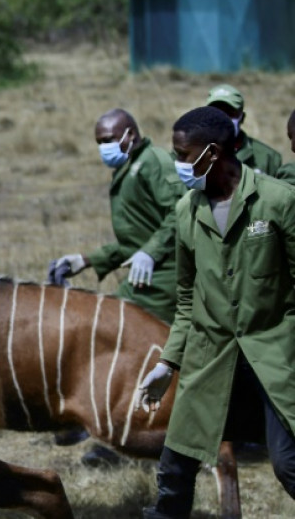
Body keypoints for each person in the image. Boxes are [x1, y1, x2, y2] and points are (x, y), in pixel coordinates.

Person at [140, 106, 295, 519]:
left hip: (274, 356)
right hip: (211, 356)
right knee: (176, 465)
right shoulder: (186, 211)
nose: (177, 165)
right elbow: (187, 298)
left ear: (213, 153)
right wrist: (167, 362)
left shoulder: (278, 201)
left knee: (287, 464)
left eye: (182, 154)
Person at [48, 108, 186, 324]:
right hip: (150, 273)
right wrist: (85, 260)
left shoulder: (153, 161)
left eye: (108, 140)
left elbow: (180, 212)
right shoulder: (129, 169)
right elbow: (134, 241)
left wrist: (150, 252)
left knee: (110, 322)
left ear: (130, 135)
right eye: (99, 143)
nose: (104, 148)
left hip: (169, 274)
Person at [205, 83, 289, 183]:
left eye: (230, 113)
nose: (222, 118)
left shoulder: (268, 158)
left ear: (242, 118)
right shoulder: (193, 153)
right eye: (216, 112)